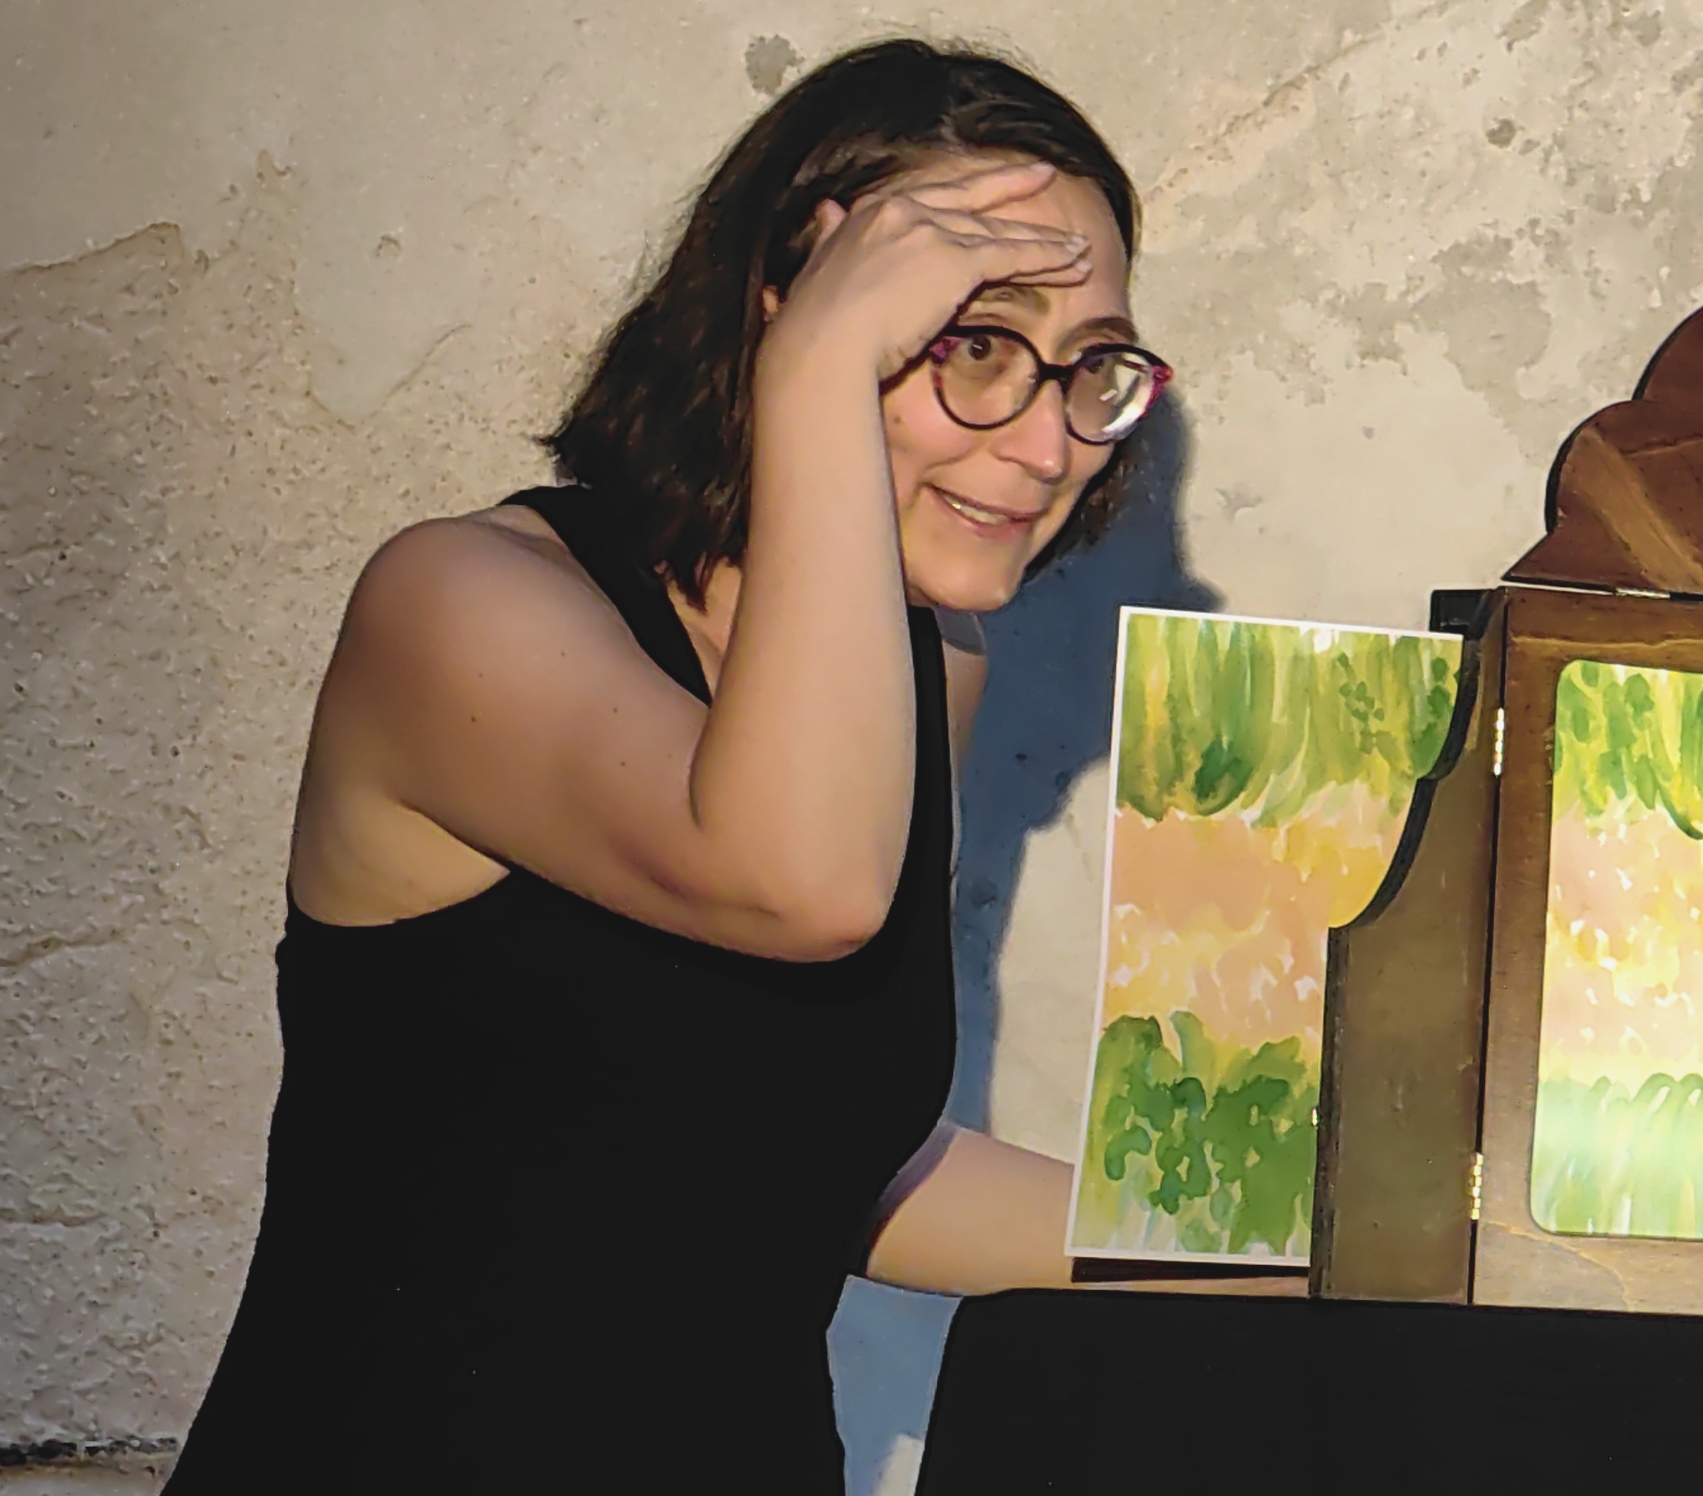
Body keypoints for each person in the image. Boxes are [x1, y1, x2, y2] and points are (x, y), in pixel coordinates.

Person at [169, 40, 1183, 1494]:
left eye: (1088, 368)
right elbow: (797, 886)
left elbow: (806, 1164)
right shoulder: (456, 606)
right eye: (972, 348)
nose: (1043, 444)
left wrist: (1272, 1246)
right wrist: (820, 368)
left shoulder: (928, 662)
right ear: (789, 302)